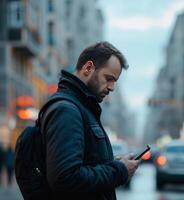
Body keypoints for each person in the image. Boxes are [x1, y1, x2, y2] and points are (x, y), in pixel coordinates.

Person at [41, 41, 140, 199]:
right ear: (88, 68)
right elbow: (65, 177)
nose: (112, 87)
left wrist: (113, 163)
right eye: (108, 78)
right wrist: (119, 171)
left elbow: (84, 163)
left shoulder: (83, 107)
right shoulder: (67, 110)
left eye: (115, 81)